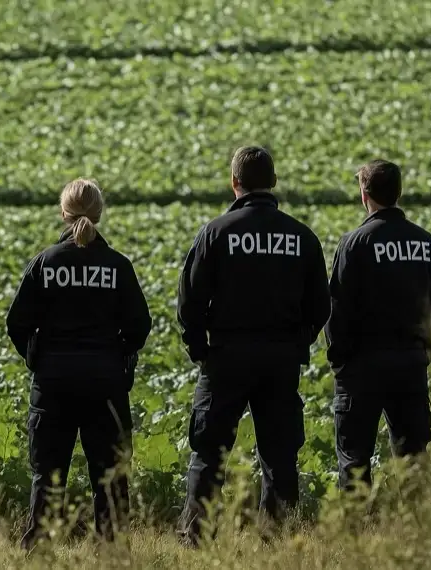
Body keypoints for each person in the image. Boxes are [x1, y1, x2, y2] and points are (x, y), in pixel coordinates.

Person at [175, 146, 331, 545]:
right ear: (273, 182)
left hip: (225, 357)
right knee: (280, 454)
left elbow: (190, 300)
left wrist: (200, 350)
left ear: (234, 183)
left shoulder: (215, 233)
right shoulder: (302, 237)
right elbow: (320, 306)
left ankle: (196, 537)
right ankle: (277, 539)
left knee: (209, 451)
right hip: (280, 359)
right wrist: (297, 341)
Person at [6, 178, 151, 550]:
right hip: (105, 383)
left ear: (63, 213)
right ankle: (113, 551)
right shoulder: (118, 266)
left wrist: (38, 358)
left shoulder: (45, 263)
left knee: (47, 474)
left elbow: (17, 323)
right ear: (99, 214)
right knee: (110, 475)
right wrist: (117, 355)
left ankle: (39, 549)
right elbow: (139, 326)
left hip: (53, 383)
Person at [325, 159, 431, 492]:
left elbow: (337, 309)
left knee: (354, 461)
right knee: (414, 459)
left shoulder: (354, 243)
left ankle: (356, 524)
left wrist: (340, 362)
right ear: (399, 192)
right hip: (410, 364)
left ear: (364, 195)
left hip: (361, 368)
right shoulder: (427, 243)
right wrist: (423, 351)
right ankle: (417, 520)